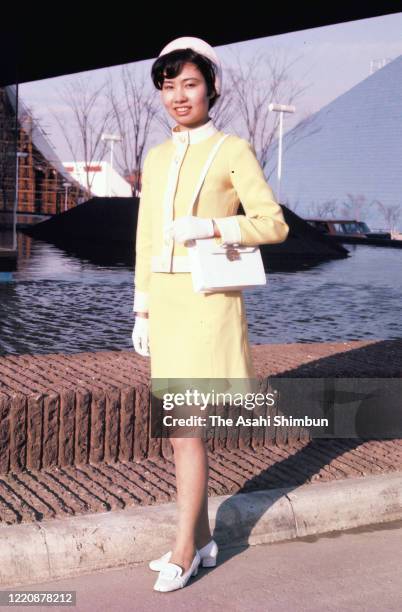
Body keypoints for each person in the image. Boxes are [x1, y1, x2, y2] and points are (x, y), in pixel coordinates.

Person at [132, 36, 290, 593]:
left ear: (212, 87)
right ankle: (201, 542)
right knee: (178, 432)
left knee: (185, 431)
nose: (178, 96)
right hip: (168, 308)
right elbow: (147, 235)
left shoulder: (232, 150)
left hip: (208, 304)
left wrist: (213, 226)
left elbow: (273, 223)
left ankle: (184, 548)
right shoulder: (154, 157)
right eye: (168, 86)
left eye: (189, 84)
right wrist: (142, 309)